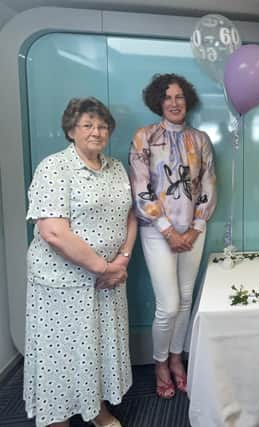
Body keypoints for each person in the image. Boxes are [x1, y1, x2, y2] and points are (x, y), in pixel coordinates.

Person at [24, 97, 137, 427]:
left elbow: (130, 216)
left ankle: (97, 411)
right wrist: (105, 268)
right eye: (87, 125)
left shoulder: (115, 167)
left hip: (107, 283)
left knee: (97, 349)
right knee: (61, 356)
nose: (96, 131)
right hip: (64, 285)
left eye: (102, 126)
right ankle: (57, 418)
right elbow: (54, 232)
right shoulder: (54, 167)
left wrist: (122, 259)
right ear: (71, 130)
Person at [129, 73, 216, 399]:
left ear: (187, 100)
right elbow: (140, 187)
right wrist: (167, 229)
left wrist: (196, 227)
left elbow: (208, 184)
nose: (174, 102)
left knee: (184, 299)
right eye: (168, 97)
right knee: (167, 306)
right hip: (157, 232)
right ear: (158, 102)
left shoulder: (201, 140)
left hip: (194, 231)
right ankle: (160, 363)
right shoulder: (144, 138)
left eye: (179, 97)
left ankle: (178, 358)